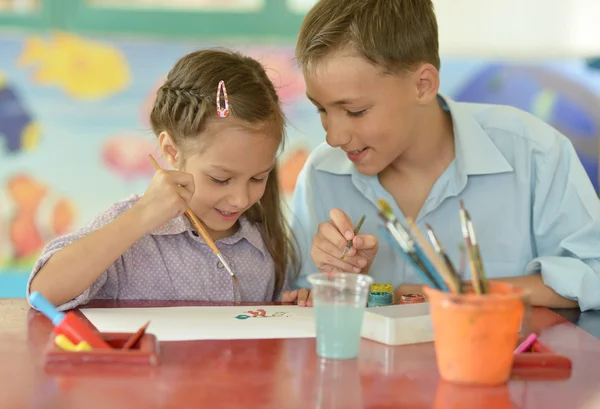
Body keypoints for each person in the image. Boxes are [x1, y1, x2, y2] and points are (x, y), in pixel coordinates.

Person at [289, 0, 600, 310]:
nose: (333, 137)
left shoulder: (535, 153)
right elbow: (300, 297)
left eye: (355, 111)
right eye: (321, 109)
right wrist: (344, 282)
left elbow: (593, 275)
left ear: (423, 85)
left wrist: (454, 294)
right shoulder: (321, 174)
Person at [28, 49, 311, 310]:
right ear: (171, 151)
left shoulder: (263, 244)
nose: (240, 199)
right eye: (220, 179)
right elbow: (43, 293)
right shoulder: (131, 228)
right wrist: (141, 217)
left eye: (258, 178)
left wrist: (289, 307)